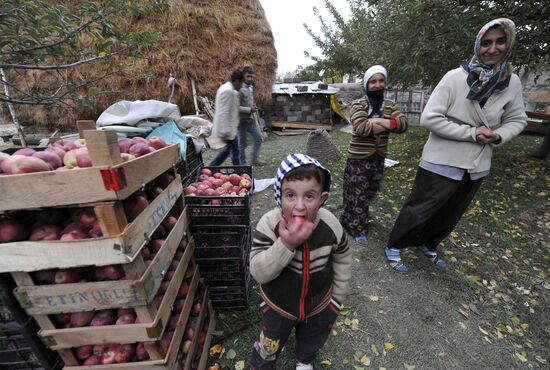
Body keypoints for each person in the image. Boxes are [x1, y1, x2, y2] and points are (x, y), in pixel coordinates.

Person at [385, 18, 527, 274]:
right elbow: (430, 118)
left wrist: (498, 135)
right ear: (477, 45)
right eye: (486, 43)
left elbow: (517, 119)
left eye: (500, 41)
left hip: (477, 164)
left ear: (509, 44)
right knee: (421, 208)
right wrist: (472, 133)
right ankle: (395, 244)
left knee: (451, 212)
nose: (493, 48)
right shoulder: (455, 77)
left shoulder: (512, 83)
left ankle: (428, 244)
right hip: (442, 159)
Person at [249, 153, 352, 370]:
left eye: (309, 196)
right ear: (278, 196)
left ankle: (304, 360)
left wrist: (337, 298)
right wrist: (285, 244)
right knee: (268, 346)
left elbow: (343, 256)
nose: (299, 207)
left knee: (313, 339)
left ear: (322, 198)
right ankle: (263, 365)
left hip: (319, 305)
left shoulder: (330, 225)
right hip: (278, 307)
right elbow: (258, 271)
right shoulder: (269, 224)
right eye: (290, 195)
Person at [339, 65, 408, 246]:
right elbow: (361, 128)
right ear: (367, 84)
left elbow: (403, 125)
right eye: (373, 81)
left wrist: (377, 120)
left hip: (378, 158)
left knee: (370, 192)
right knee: (357, 193)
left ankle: (352, 218)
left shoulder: (390, 105)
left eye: (381, 80)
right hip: (358, 158)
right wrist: (389, 124)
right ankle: (357, 228)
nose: (377, 85)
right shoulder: (358, 104)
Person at [208, 69, 244, 166]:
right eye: (241, 84)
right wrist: (225, 131)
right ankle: (241, 173)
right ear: (237, 81)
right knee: (235, 153)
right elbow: (224, 112)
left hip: (229, 129)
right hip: (227, 129)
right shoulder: (228, 91)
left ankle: (211, 167)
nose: (241, 87)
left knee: (228, 151)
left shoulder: (226, 88)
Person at [238, 65, 263, 165]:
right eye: (248, 76)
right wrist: (249, 109)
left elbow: (248, 101)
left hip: (250, 120)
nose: (250, 78)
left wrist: (253, 106)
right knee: (242, 145)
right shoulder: (239, 89)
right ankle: (242, 164)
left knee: (258, 139)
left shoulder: (250, 88)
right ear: (243, 76)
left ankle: (254, 160)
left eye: (251, 76)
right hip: (241, 121)